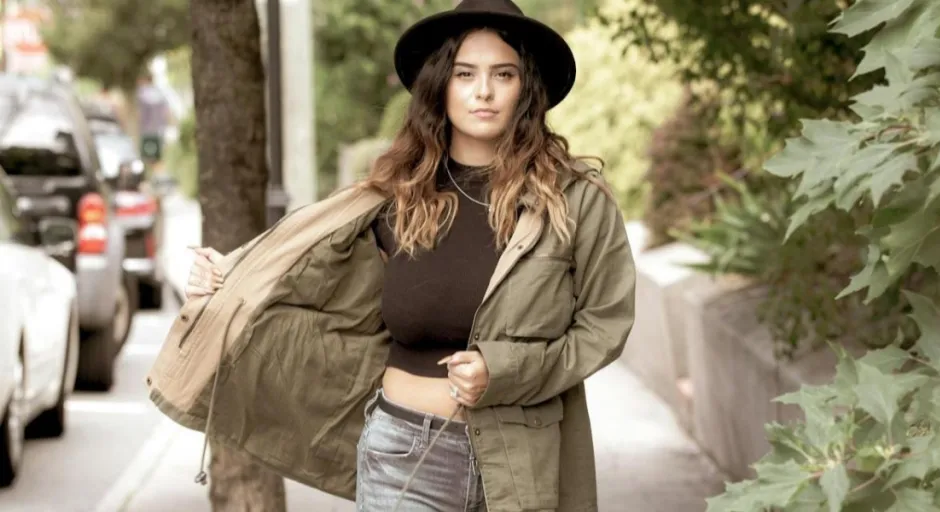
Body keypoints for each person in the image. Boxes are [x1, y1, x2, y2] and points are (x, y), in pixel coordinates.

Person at [146, 1, 636, 511]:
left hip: (522, 462)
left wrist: (506, 369)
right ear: (441, 84)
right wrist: (228, 277)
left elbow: (605, 324)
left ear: (526, 88)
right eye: (465, 73)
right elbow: (302, 277)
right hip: (401, 455)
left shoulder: (576, 200)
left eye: (503, 74)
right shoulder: (396, 196)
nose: (484, 91)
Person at [135, 72, 171, 175]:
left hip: (147, 132)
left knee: (148, 159)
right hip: (159, 132)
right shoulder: (160, 93)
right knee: (157, 158)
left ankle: (157, 178)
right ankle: (159, 177)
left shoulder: (141, 93)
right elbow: (167, 114)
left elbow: (139, 115)